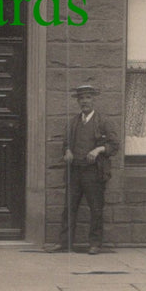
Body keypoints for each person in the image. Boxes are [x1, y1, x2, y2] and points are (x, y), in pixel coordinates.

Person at [47, 83, 118, 255]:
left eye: (88, 98)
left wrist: (98, 149)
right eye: (81, 98)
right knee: (69, 208)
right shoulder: (73, 122)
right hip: (75, 171)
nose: (84, 101)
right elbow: (66, 143)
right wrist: (67, 151)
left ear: (94, 100)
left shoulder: (103, 121)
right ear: (78, 102)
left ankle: (95, 244)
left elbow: (114, 145)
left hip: (94, 172)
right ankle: (65, 243)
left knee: (96, 208)